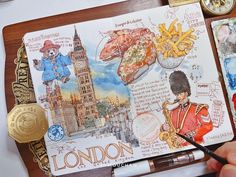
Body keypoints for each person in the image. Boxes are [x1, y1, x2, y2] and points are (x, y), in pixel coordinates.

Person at [161, 70, 213, 146]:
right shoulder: (172, 112)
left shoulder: (199, 109)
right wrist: (164, 128)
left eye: (180, 93)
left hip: (196, 146)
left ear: (186, 93)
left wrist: (187, 137)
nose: (178, 97)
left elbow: (208, 126)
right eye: (176, 94)